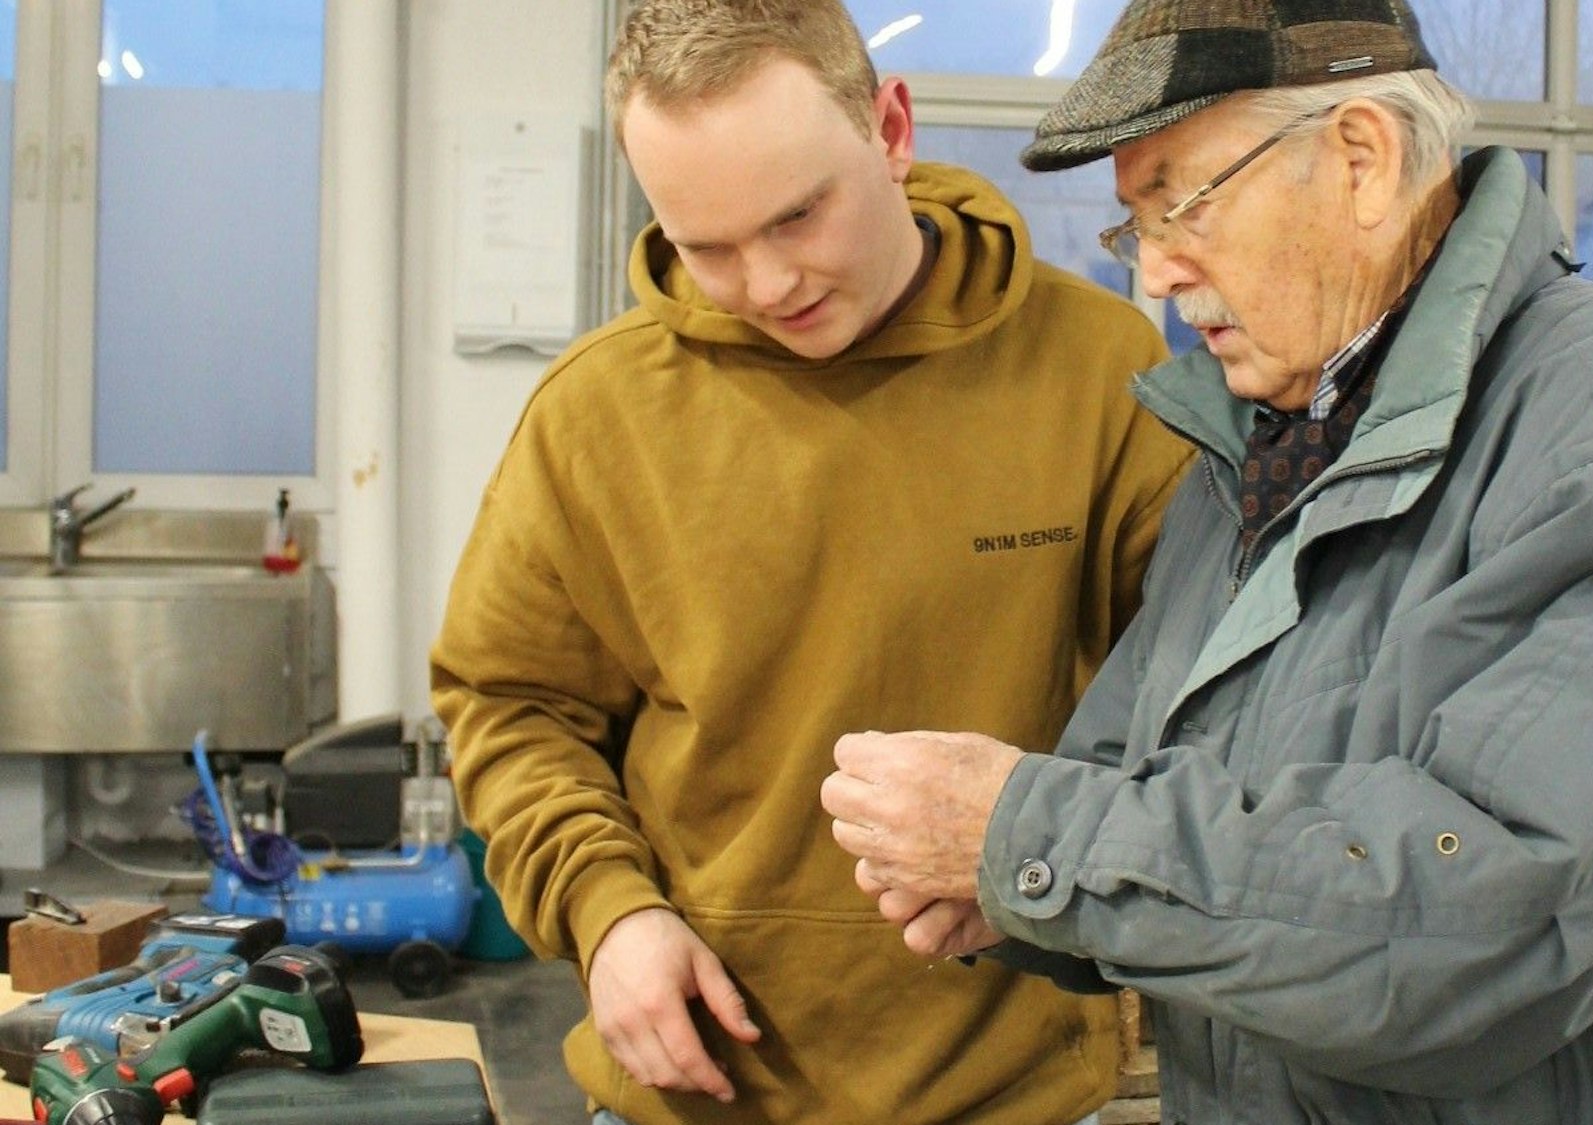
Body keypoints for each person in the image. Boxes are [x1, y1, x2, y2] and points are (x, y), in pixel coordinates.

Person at [821, 1, 1593, 1122]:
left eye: (1178, 202)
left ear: (1359, 159)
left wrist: (1031, 837)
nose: (1154, 275)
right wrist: (1023, 894)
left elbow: (1490, 916)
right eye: (1131, 226)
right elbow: (1135, 777)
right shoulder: (1259, 445)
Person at [430, 2, 1191, 1122]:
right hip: (692, 1086)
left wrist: (1057, 859)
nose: (768, 283)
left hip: (1021, 1089)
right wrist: (608, 914)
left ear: (889, 129)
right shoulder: (594, 417)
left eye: (796, 216)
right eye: (706, 246)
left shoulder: (1096, 370)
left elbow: (1202, 701)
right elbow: (511, 707)